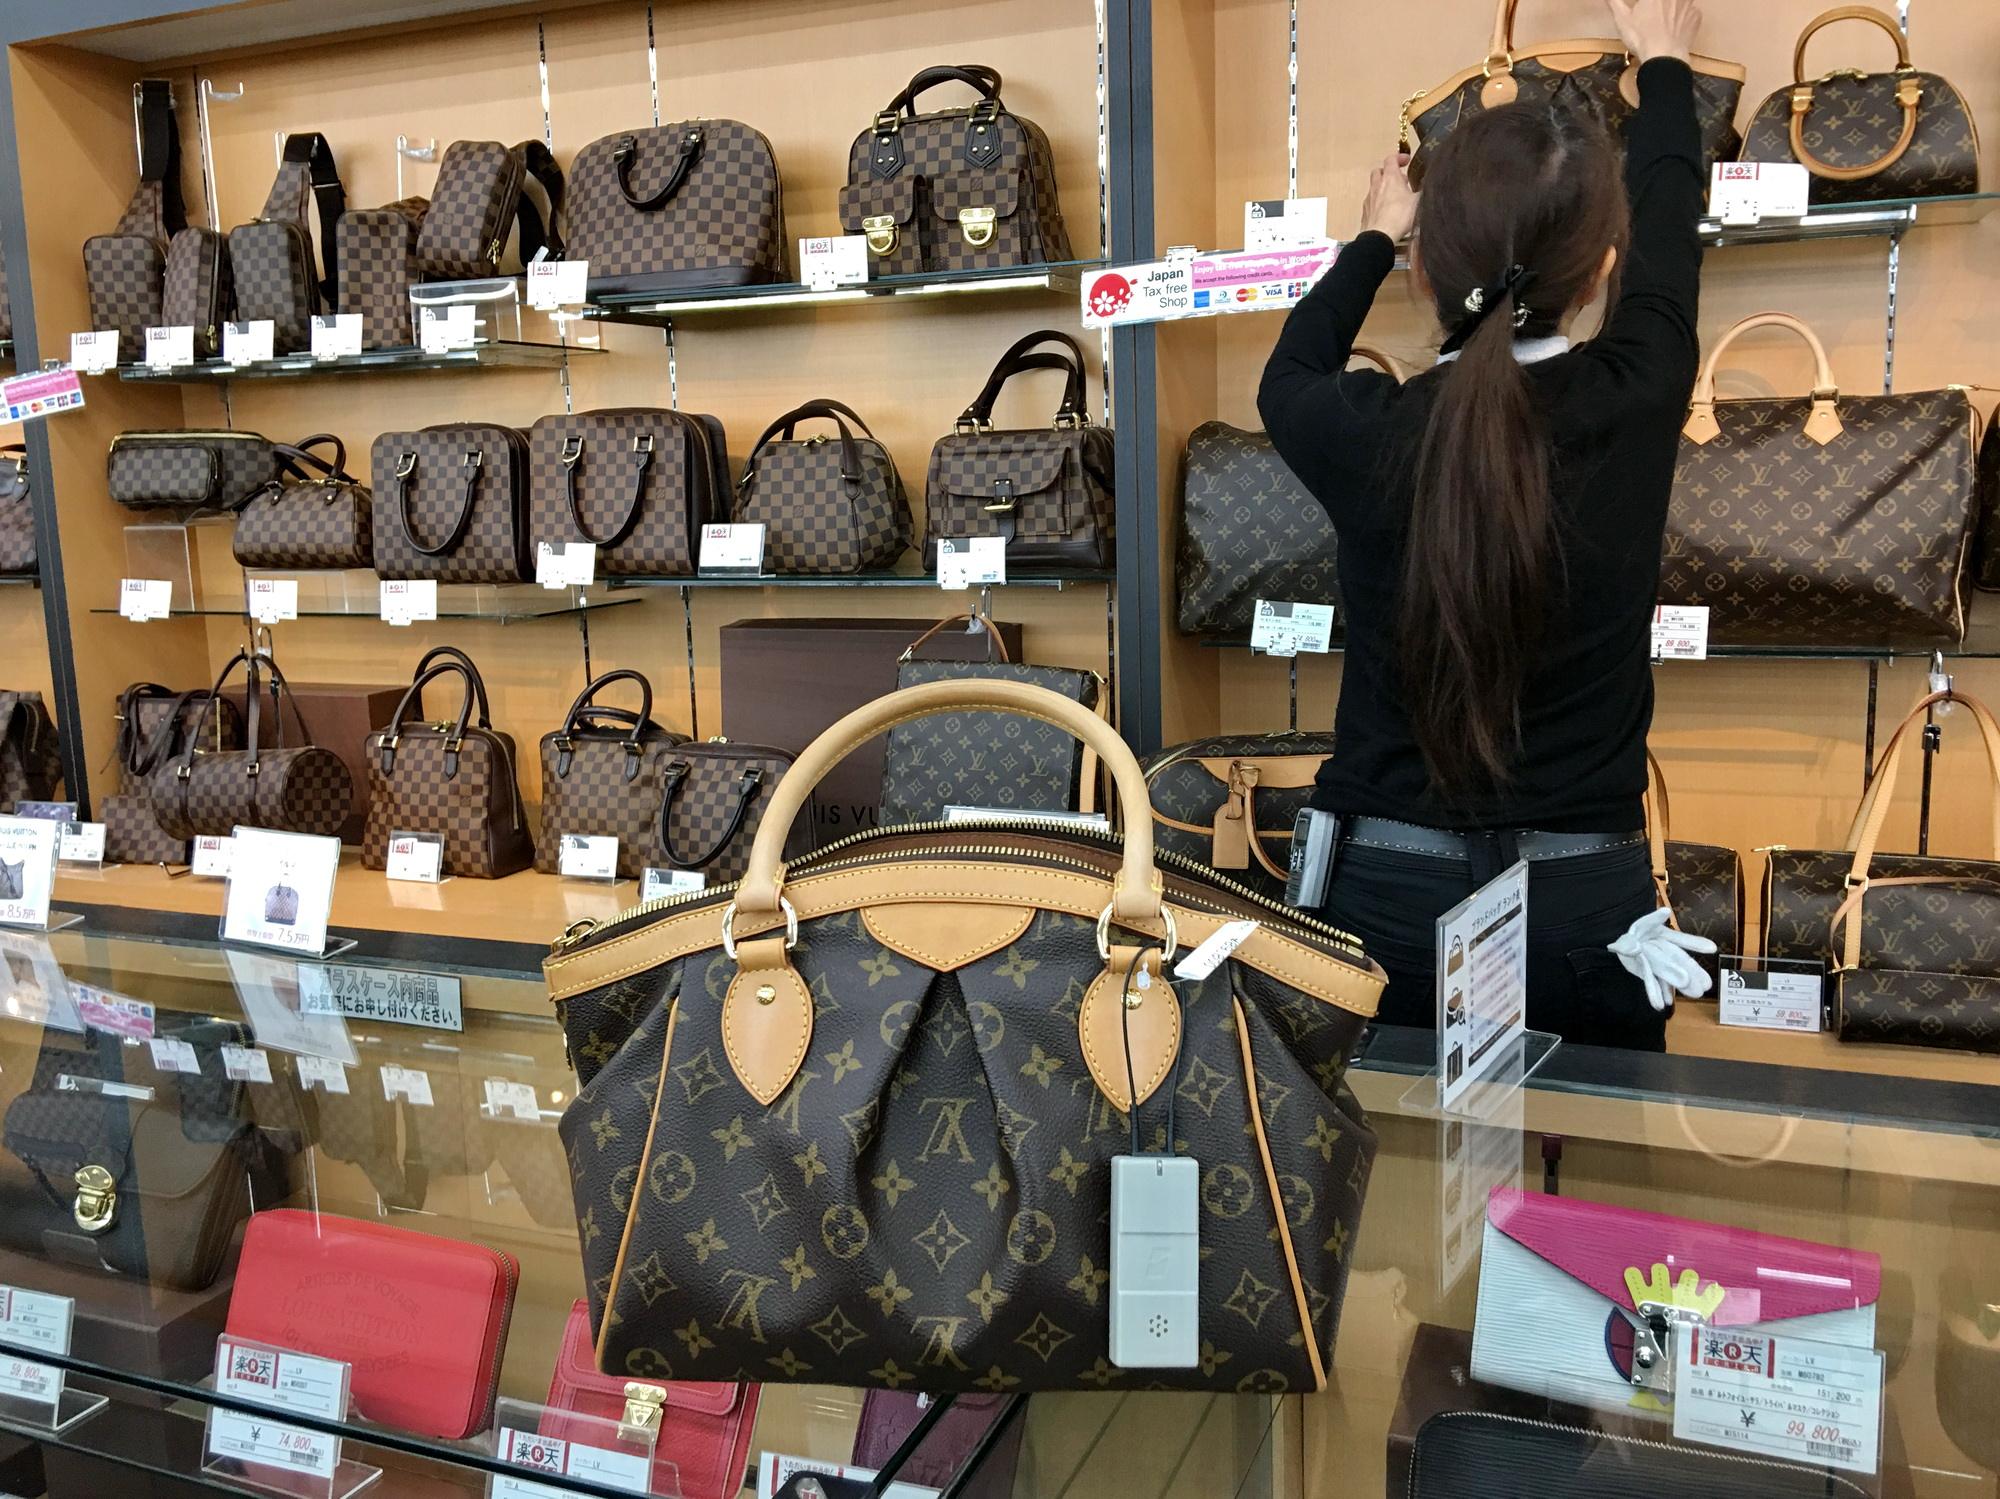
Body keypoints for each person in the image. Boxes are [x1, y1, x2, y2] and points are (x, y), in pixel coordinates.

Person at [1257, 0, 1715, 1051]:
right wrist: (1663, 71)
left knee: (1364, 1157)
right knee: (1587, 1162)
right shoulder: (1640, 389)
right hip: (1583, 903)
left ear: (1424, 268)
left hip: (1378, 893)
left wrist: (1372, 234)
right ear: (1601, 268)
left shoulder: (1360, 428)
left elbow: (1290, 368)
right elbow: (1668, 236)